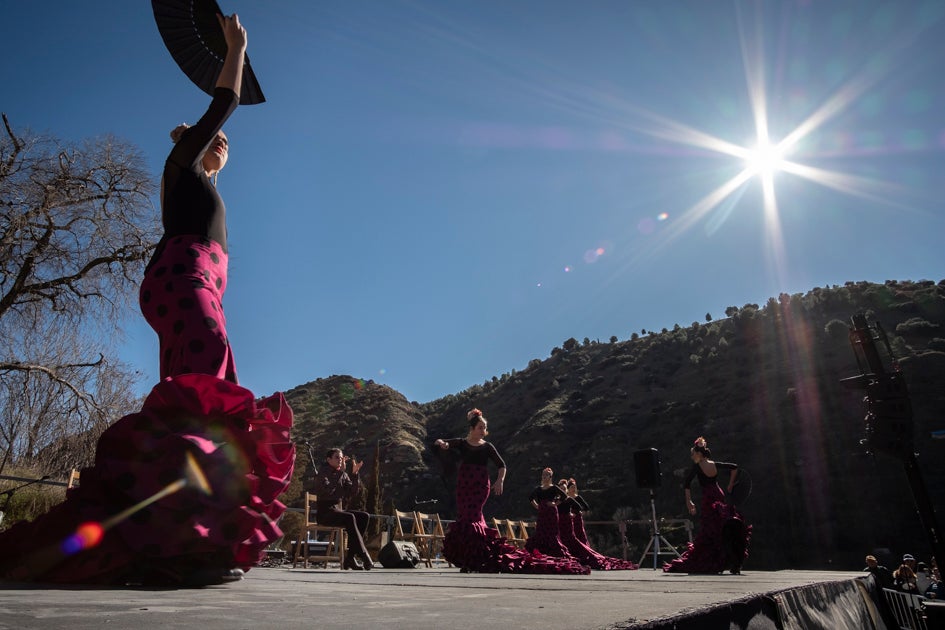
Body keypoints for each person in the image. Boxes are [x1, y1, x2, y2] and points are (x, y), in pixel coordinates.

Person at [0, 14, 295, 586]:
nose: (220, 146)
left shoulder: (201, 185)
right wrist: (235, 48)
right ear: (187, 146)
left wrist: (216, 164)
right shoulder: (179, 168)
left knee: (200, 398)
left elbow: (208, 179)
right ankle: (178, 543)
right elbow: (225, 101)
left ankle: (175, 536)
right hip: (181, 279)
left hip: (192, 284)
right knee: (208, 384)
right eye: (209, 142)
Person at [434, 409, 588, 574]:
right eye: (480, 427)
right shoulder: (462, 443)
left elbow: (502, 465)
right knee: (465, 518)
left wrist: (499, 481)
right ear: (472, 428)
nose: (483, 431)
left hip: (480, 485)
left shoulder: (487, 446)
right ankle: (470, 560)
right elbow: (441, 442)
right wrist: (443, 444)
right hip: (464, 485)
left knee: (473, 516)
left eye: (484, 428)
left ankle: (476, 558)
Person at [663, 437, 751, 575]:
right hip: (719, 494)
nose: (692, 457)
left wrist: (689, 501)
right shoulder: (714, 464)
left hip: (709, 497)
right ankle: (730, 560)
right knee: (722, 526)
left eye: (693, 454)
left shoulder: (698, 467)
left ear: (698, 454)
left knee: (710, 528)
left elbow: (687, 484)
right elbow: (734, 467)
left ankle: (713, 560)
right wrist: (730, 484)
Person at [557, 479, 638, 571]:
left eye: (574, 487)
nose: (573, 489)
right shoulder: (559, 499)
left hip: (572, 521)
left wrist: (576, 513)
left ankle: (583, 555)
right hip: (561, 523)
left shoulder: (574, 498)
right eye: (571, 487)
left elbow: (584, 507)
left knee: (577, 537)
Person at [314, 448, 373, 570]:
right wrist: (341, 473)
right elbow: (329, 491)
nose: (340, 460)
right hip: (325, 513)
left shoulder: (343, 474)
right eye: (337, 457)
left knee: (364, 516)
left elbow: (353, 492)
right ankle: (363, 554)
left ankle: (350, 558)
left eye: (341, 458)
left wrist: (355, 474)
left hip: (337, 512)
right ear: (328, 459)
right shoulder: (323, 473)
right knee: (349, 517)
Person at [524, 468, 575, 559]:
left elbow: (564, 496)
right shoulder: (539, 489)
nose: (544, 476)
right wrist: (537, 506)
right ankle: (540, 552)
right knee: (540, 531)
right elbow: (530, 498)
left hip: (552, 513)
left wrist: (555, 503)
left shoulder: (554, 487)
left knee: (552, 533)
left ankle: (553, 553)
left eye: (546, 475)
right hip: (542, 513)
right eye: (543, 474)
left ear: (550, 477)